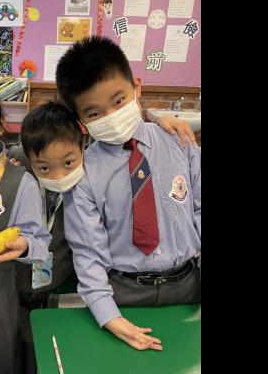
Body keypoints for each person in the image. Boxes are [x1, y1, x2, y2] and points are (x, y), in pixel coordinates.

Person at [56, 36, 201, 351]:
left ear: (137, 87)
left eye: (119, 100)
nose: (110, 115)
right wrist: (107, 314)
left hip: (189, 285)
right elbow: (87, 251)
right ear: (81, 121)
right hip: (124, 291)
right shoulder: (83, 173)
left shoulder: (179, 141)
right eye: (94, 113)